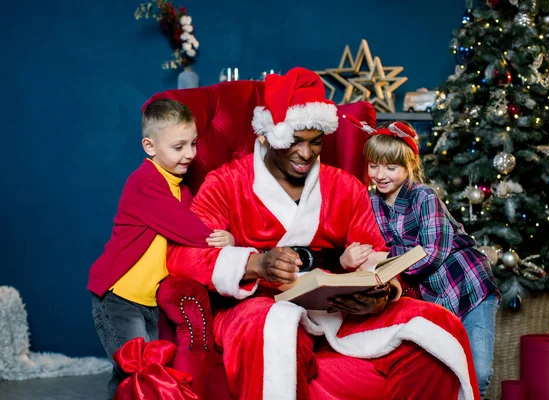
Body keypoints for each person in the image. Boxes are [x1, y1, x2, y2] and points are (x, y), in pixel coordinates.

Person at [167, 67, 481, 400]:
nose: (305, 154)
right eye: (294, 142)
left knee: (433, 326)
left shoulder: (343, 186)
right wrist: (256, 264)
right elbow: (182, 255)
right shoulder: (227, 183)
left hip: (336, 307)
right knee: (273, 328)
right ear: (268, 135)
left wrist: (381, 293)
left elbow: (376, 251)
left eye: (315, 142)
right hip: (258, 305)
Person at [87, 99, 232, 399]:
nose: (190, 154)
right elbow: (189, 228)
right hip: (118, 298)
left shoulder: (182, 189)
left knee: (131, 377)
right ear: (150, 147)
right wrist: (219, 238)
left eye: (193, 144)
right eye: (178, 147)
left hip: (149, 302)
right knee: (141, 372)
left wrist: (224, 235)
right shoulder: (145, 182)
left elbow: (196, 221)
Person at [353, 118, 500, 399]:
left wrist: (384, 256)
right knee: (443, 370)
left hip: (470, 289)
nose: (380, 175)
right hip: (435, 299)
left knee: (477, 374)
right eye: (374, 166)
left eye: (391, 167)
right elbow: (368, 246)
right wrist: (355, 253)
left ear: (409, 166)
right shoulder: (371, 204)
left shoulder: (424, 197)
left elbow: (431, 254)